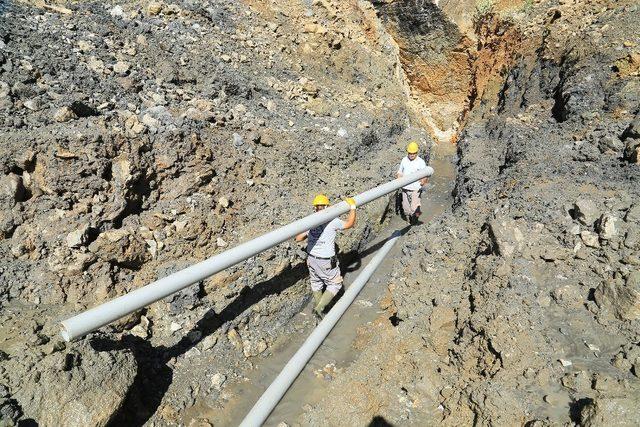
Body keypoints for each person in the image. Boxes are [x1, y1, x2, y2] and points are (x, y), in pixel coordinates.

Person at [295, 194, 357, 320]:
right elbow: (350, 224)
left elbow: (298, 238)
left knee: (316, 282)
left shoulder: (311, 221)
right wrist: (353, 207)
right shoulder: (333, 221)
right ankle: (319, 309)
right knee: (335, 284)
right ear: (327, 206)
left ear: (315, 208)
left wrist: (312, 233)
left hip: (311, 259)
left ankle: (319, 309)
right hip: (326, 261)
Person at [396, 141, 428, 225]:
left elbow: (425, 174)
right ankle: (410, 219)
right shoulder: (404, 160)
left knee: (414, 208)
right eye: (410, 153)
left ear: (417, 153)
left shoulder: (421, 162)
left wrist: (423, 181)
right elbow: (400, 172)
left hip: (415, 188)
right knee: (406, 209)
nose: (412, 155)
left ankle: (416, 216)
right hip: (405, 187)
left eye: (414, 153)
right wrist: (399, 179)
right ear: (408, 152)